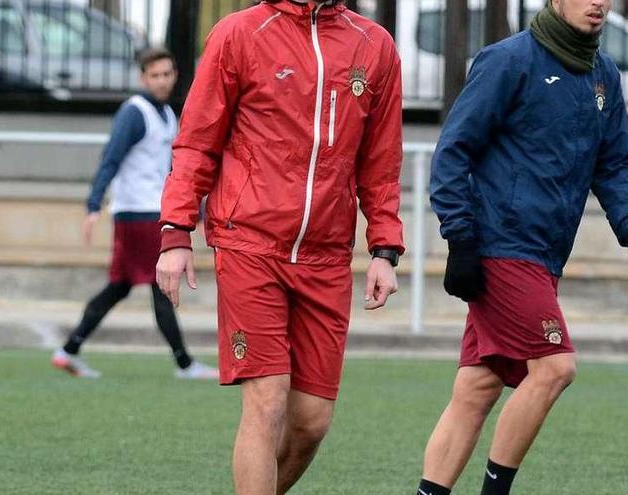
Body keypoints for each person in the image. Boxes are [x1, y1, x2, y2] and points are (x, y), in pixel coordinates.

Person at [155, 1, 404, 493]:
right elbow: (197, 141)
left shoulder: (376, 46)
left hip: (328, 256)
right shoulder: (238, 33)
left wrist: (384, 247)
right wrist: (175, 231)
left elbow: (381, 159)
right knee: (267, 402)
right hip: (248, 244)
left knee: (311, 421)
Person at [417, 1, 628, 494]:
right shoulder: (508, 60)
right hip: (501, 246)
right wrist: (460, 237)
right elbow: (453, 151)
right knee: (554, 367)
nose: (598, 3)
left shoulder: (604, 75)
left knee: (478, 387)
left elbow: (613, 163)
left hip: (546, 255)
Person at [51, 48, 218, 381]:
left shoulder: (168, 115)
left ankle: (69, 349)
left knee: (121, 286)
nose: (162, 81)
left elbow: (170, 171)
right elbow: (110, 158)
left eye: (167, 74)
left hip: (149, 212)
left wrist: (195, 209)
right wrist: (93, 204)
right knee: (160, 285)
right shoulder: (134, 112)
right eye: (155, 75)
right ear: (143, 78)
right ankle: (185, 364)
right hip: (138, 213)